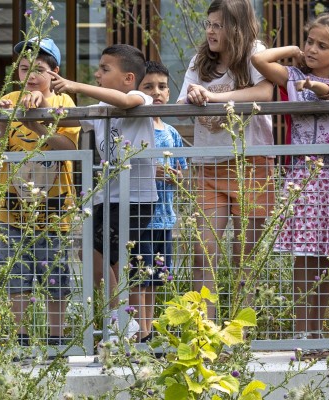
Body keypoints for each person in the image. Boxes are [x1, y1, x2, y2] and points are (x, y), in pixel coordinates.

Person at [251, 14, 329, 340]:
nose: (312, 49)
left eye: (321, 45)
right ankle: (302, 331)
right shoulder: (293, 76)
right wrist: (294, 50)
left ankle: (319, 330)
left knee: (328, 256)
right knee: (304, 255)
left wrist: (320, 83)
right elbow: (258, 59)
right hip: (303, 175)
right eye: (310, 42)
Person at [47, 44, 162, 342]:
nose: (97, 74)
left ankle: (121, 319)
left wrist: (74, 85)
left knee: (95, 252)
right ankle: (123, 322)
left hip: (135, 198)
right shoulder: (99, 110)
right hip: (105, 197)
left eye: (104, 69)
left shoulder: (141, 97)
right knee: (103, 259)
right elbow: (65, 118)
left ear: (128, 77)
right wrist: (38, 112)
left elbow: (125, 101)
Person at [175, 0, 277, 296]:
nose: (210, 31)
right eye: (208, 24)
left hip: (252, 163)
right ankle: (204, 330)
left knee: (245, 257)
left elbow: (266, 91)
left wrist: (215, 97)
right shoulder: (200, 61)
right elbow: (181, 107)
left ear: (236, 26)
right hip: (209, 164)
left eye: (217, 25)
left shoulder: (255, 52)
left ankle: (240, 334)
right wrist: (193, 96)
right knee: (203, 252)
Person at [0, 38, 83, 346]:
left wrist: (40, 123)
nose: (30, 75)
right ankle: (21, 339)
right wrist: (3, 123)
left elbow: (70, 147)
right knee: (17, 276)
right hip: (12, 205)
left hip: (55, 207)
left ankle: (56, 339)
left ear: (55, 72)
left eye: (39, 69)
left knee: (56, 277)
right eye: (23, 68)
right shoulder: (8, 98)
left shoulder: (64, 102)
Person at [131, 60, 189, 343]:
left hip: (164, 216)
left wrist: (175, 175)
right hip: (140, 216)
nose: (156, 92)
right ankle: (140, 330)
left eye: (162, 86)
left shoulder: (171, 132)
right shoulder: (135, 128)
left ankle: (150, 328)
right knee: (139, 275)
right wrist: (153, 171)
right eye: (148, 86)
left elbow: (182, 171)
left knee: (155, 277)